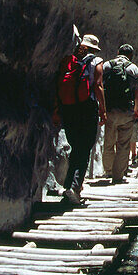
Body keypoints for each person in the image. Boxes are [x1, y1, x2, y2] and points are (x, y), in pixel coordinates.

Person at [55, 33, 105, 204]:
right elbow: (98, 86)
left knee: (76, 147)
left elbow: (58, 84)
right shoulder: (96, 61)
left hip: (68, 108)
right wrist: (103, 109)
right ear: (94, 48)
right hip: (87, 108)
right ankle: (75, 188)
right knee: (84, 149)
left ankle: (68, 186)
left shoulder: (69, 60)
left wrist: (58, 109)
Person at [101, 43, 138, 183]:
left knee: (108, 142)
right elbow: (137, 91)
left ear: (118, 52)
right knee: (123, 144)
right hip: (126, 111)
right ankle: (118, 175)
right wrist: (136, 109)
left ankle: (108, 171)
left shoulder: (107, 65)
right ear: (131, 55)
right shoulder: (133, 68)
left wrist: (102, 109)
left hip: (110, 110)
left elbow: (100, 86)